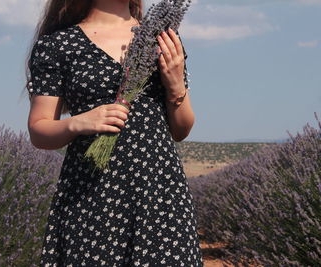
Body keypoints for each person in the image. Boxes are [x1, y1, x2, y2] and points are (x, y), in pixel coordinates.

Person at [25, 0, 203, 266]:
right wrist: (81, 122)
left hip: (159, 192)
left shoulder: (163, 37)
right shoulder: (57, 46)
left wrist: (176, 85)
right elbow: (39, 130)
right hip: (92, 194)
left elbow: (181, 129)